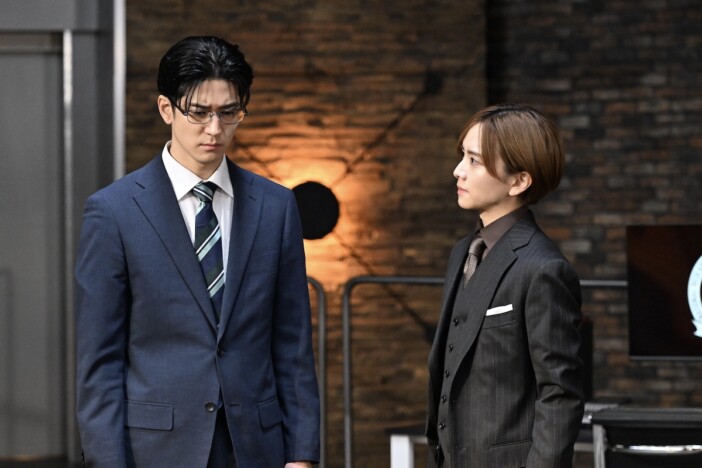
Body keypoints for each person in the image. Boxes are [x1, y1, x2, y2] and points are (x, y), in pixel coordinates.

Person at [75, 36, 320, 468]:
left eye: (229, 112)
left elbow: (293, 344)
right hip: (156, 449)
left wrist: (302, 454)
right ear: (166, 109)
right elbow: (100, 361)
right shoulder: (113, 211)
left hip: (256, 447)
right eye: (199, 112)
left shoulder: (276, 207)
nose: (214, 128)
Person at [426, 104, 584, 467]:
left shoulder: (543, 268)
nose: (458, 170)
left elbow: (560, 395)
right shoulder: (462, 252)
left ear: (519, 181)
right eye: (462, 156)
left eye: (474, 160)